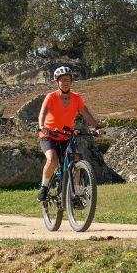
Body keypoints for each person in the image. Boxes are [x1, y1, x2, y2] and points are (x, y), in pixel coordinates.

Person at [36, 66, 103, 201]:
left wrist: (97, 127)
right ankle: (44, 187)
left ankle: (76, 194)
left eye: (68, 79)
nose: (66, 82)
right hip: (49, 135)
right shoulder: (51, 97)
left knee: (75, 161)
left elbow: (85, 113)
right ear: (57, 82)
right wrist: (42, 126)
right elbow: (42, 113)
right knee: (52, 159)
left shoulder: (76, 98)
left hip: (66, 135)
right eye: (63, 80)